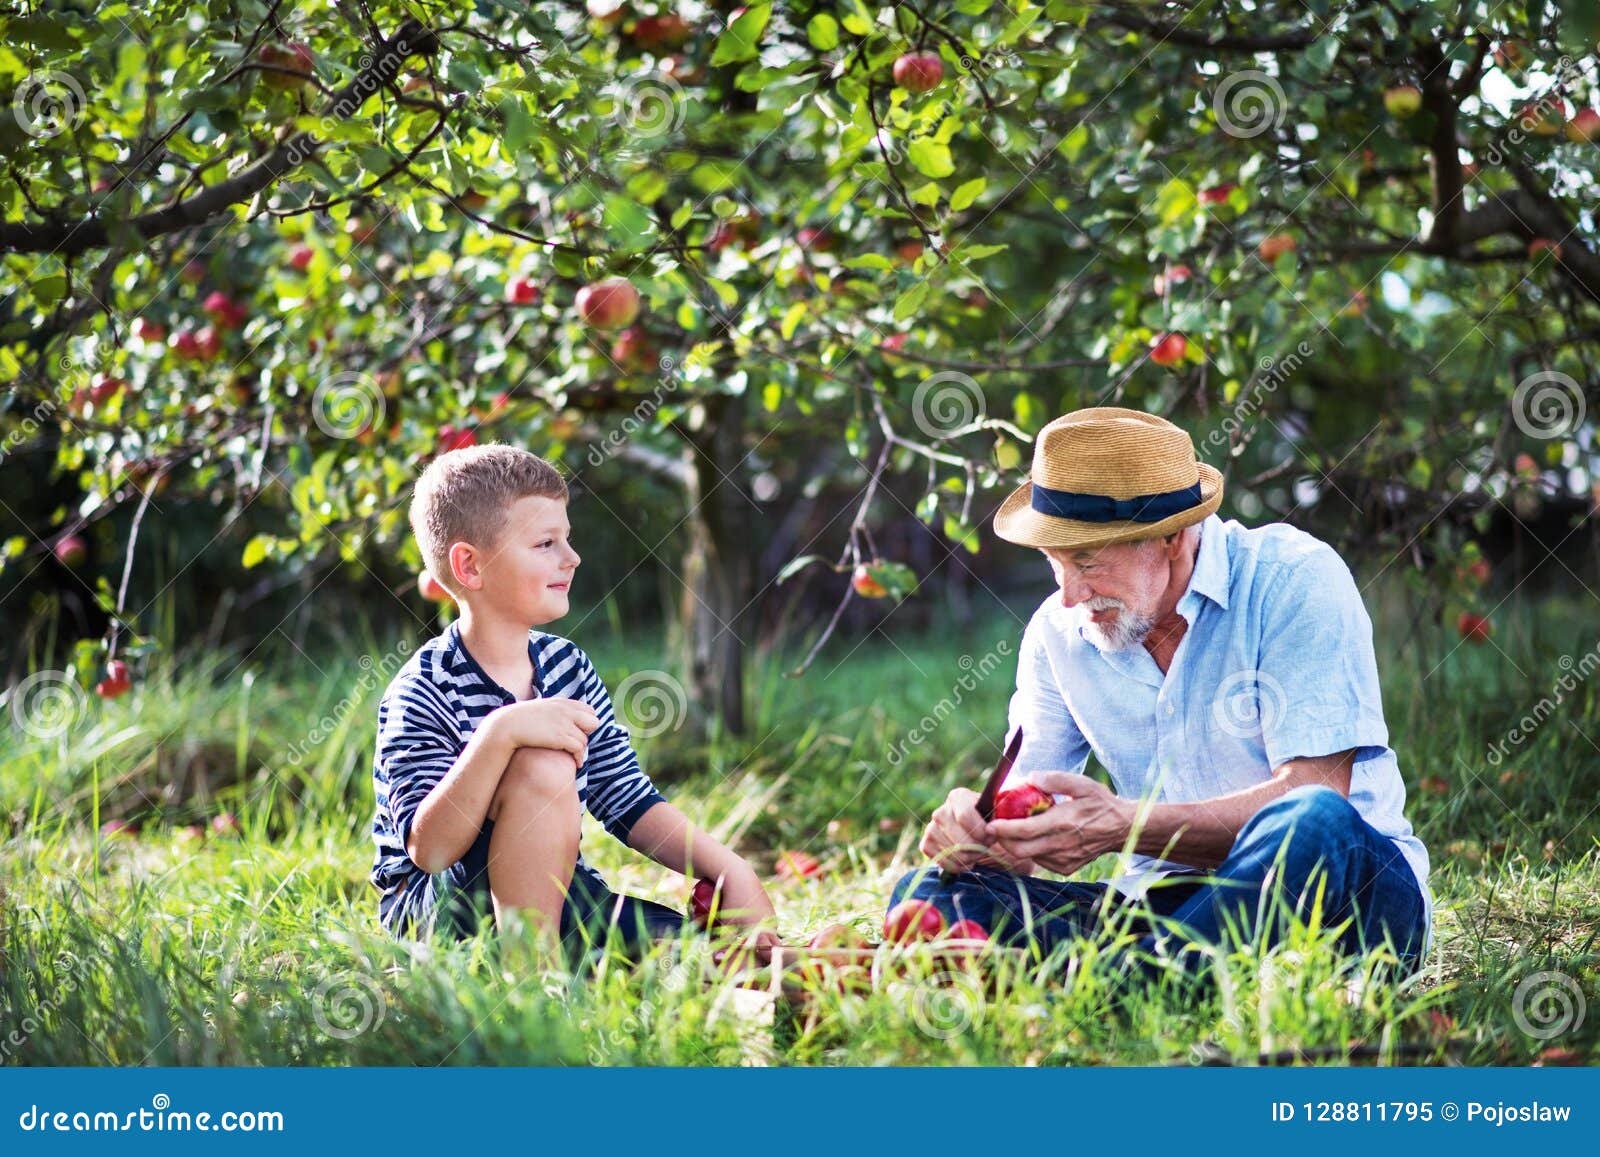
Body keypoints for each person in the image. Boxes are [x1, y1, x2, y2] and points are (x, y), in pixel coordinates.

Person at [893, 407, 1432, 980]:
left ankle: (1119, 983)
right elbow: (1022, 811)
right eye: (1055, 565)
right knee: (928, 896)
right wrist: (978, 835)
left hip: (1343, 899)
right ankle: (1140, 976)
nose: (1071, 595)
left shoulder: (1294, 578)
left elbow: (1317, 791)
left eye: (1088, 561)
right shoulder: (1056, 634)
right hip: (1162, 907)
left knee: (1313, 819)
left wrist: (1128, 825)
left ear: (1171, 536)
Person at [369, 443, 777, 960]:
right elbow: (429, 851)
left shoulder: (568, 668)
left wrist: (727, 867)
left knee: (698, 957)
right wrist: (502, 733)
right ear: (470, 567)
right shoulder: (424, 687)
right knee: (540, 762)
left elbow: (624, 798)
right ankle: (533, 997)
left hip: (556, 898)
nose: (571, 557)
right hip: (442, 917)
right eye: (545, 543)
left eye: (568, 539)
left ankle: (566, 965)